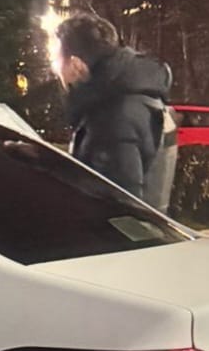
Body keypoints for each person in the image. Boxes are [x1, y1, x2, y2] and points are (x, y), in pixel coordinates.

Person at [55, 12, 176, 208]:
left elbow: (120, 205)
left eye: (56, 59)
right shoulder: (135, 97)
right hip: (147, 227)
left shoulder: (112, 117)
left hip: (119, 228)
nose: (55, 69)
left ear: (76, 64)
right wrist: (45, 161)